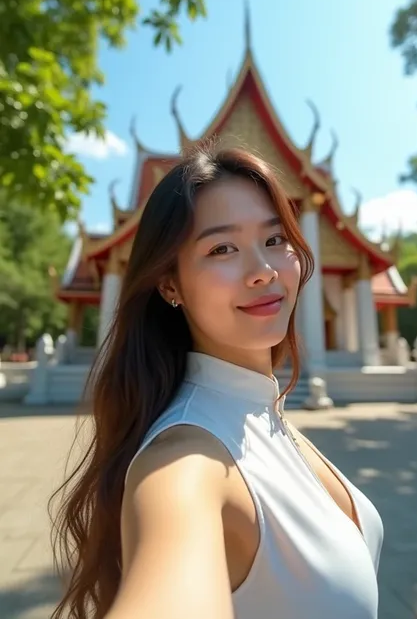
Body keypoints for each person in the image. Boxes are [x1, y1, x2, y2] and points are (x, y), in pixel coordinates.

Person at [50, 142, 384, 619]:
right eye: (222, 248)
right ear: (170, 284)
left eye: (274, 240)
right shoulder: (185, 463)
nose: (263, 271)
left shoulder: (267, 416)